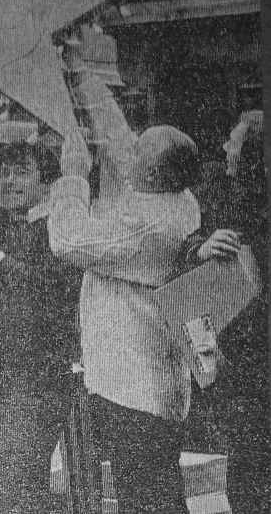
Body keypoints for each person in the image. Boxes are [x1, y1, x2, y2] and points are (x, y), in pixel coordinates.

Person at [48, 124, 203, 513]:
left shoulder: (147, 225)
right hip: (155, 382)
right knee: (158, 494)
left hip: (134, 388)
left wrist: (71, 176)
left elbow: (68, 240)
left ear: (152, 174)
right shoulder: (180, 200)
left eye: (136, 152)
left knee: (147, 500)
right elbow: (130, 175)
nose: (125, 156)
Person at [0, 133, 81, 514]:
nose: (10, 181)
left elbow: (55, 288)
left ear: (46, 179)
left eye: (22, 172)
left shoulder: (59, 229)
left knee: (8, 487)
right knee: (12, 483)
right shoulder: (18, 224)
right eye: (5, 172)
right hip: (8, 378)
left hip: (39, 379)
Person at [179, 109, 269, 512]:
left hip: (253, 339)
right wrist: (201, 246)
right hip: (245, 344)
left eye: (233, 142)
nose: (225, 146)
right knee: (249, 458)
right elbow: (185, 235)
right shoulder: (219, 188)